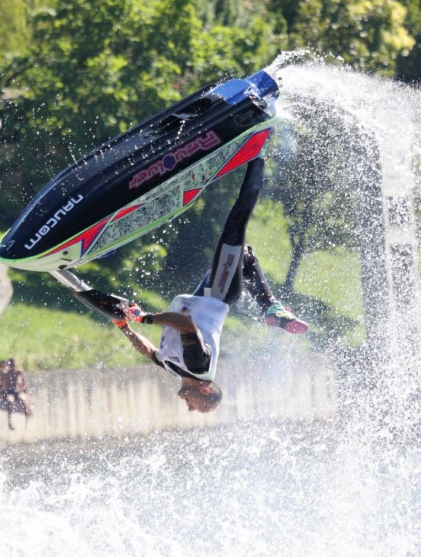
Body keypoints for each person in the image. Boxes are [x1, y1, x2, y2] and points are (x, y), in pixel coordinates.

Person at [62, 155, 307, 413]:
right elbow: (185, 325)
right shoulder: (198, 366)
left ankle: (269, 306)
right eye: (199, 407)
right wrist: (146, 319)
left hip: (209, 292)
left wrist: (126, 328)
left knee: (243, 252)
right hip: (219, 293)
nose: (190, 409)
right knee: (236, 225)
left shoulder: (176, 369)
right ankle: (257, 158)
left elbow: (150, 353)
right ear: (207, 390)